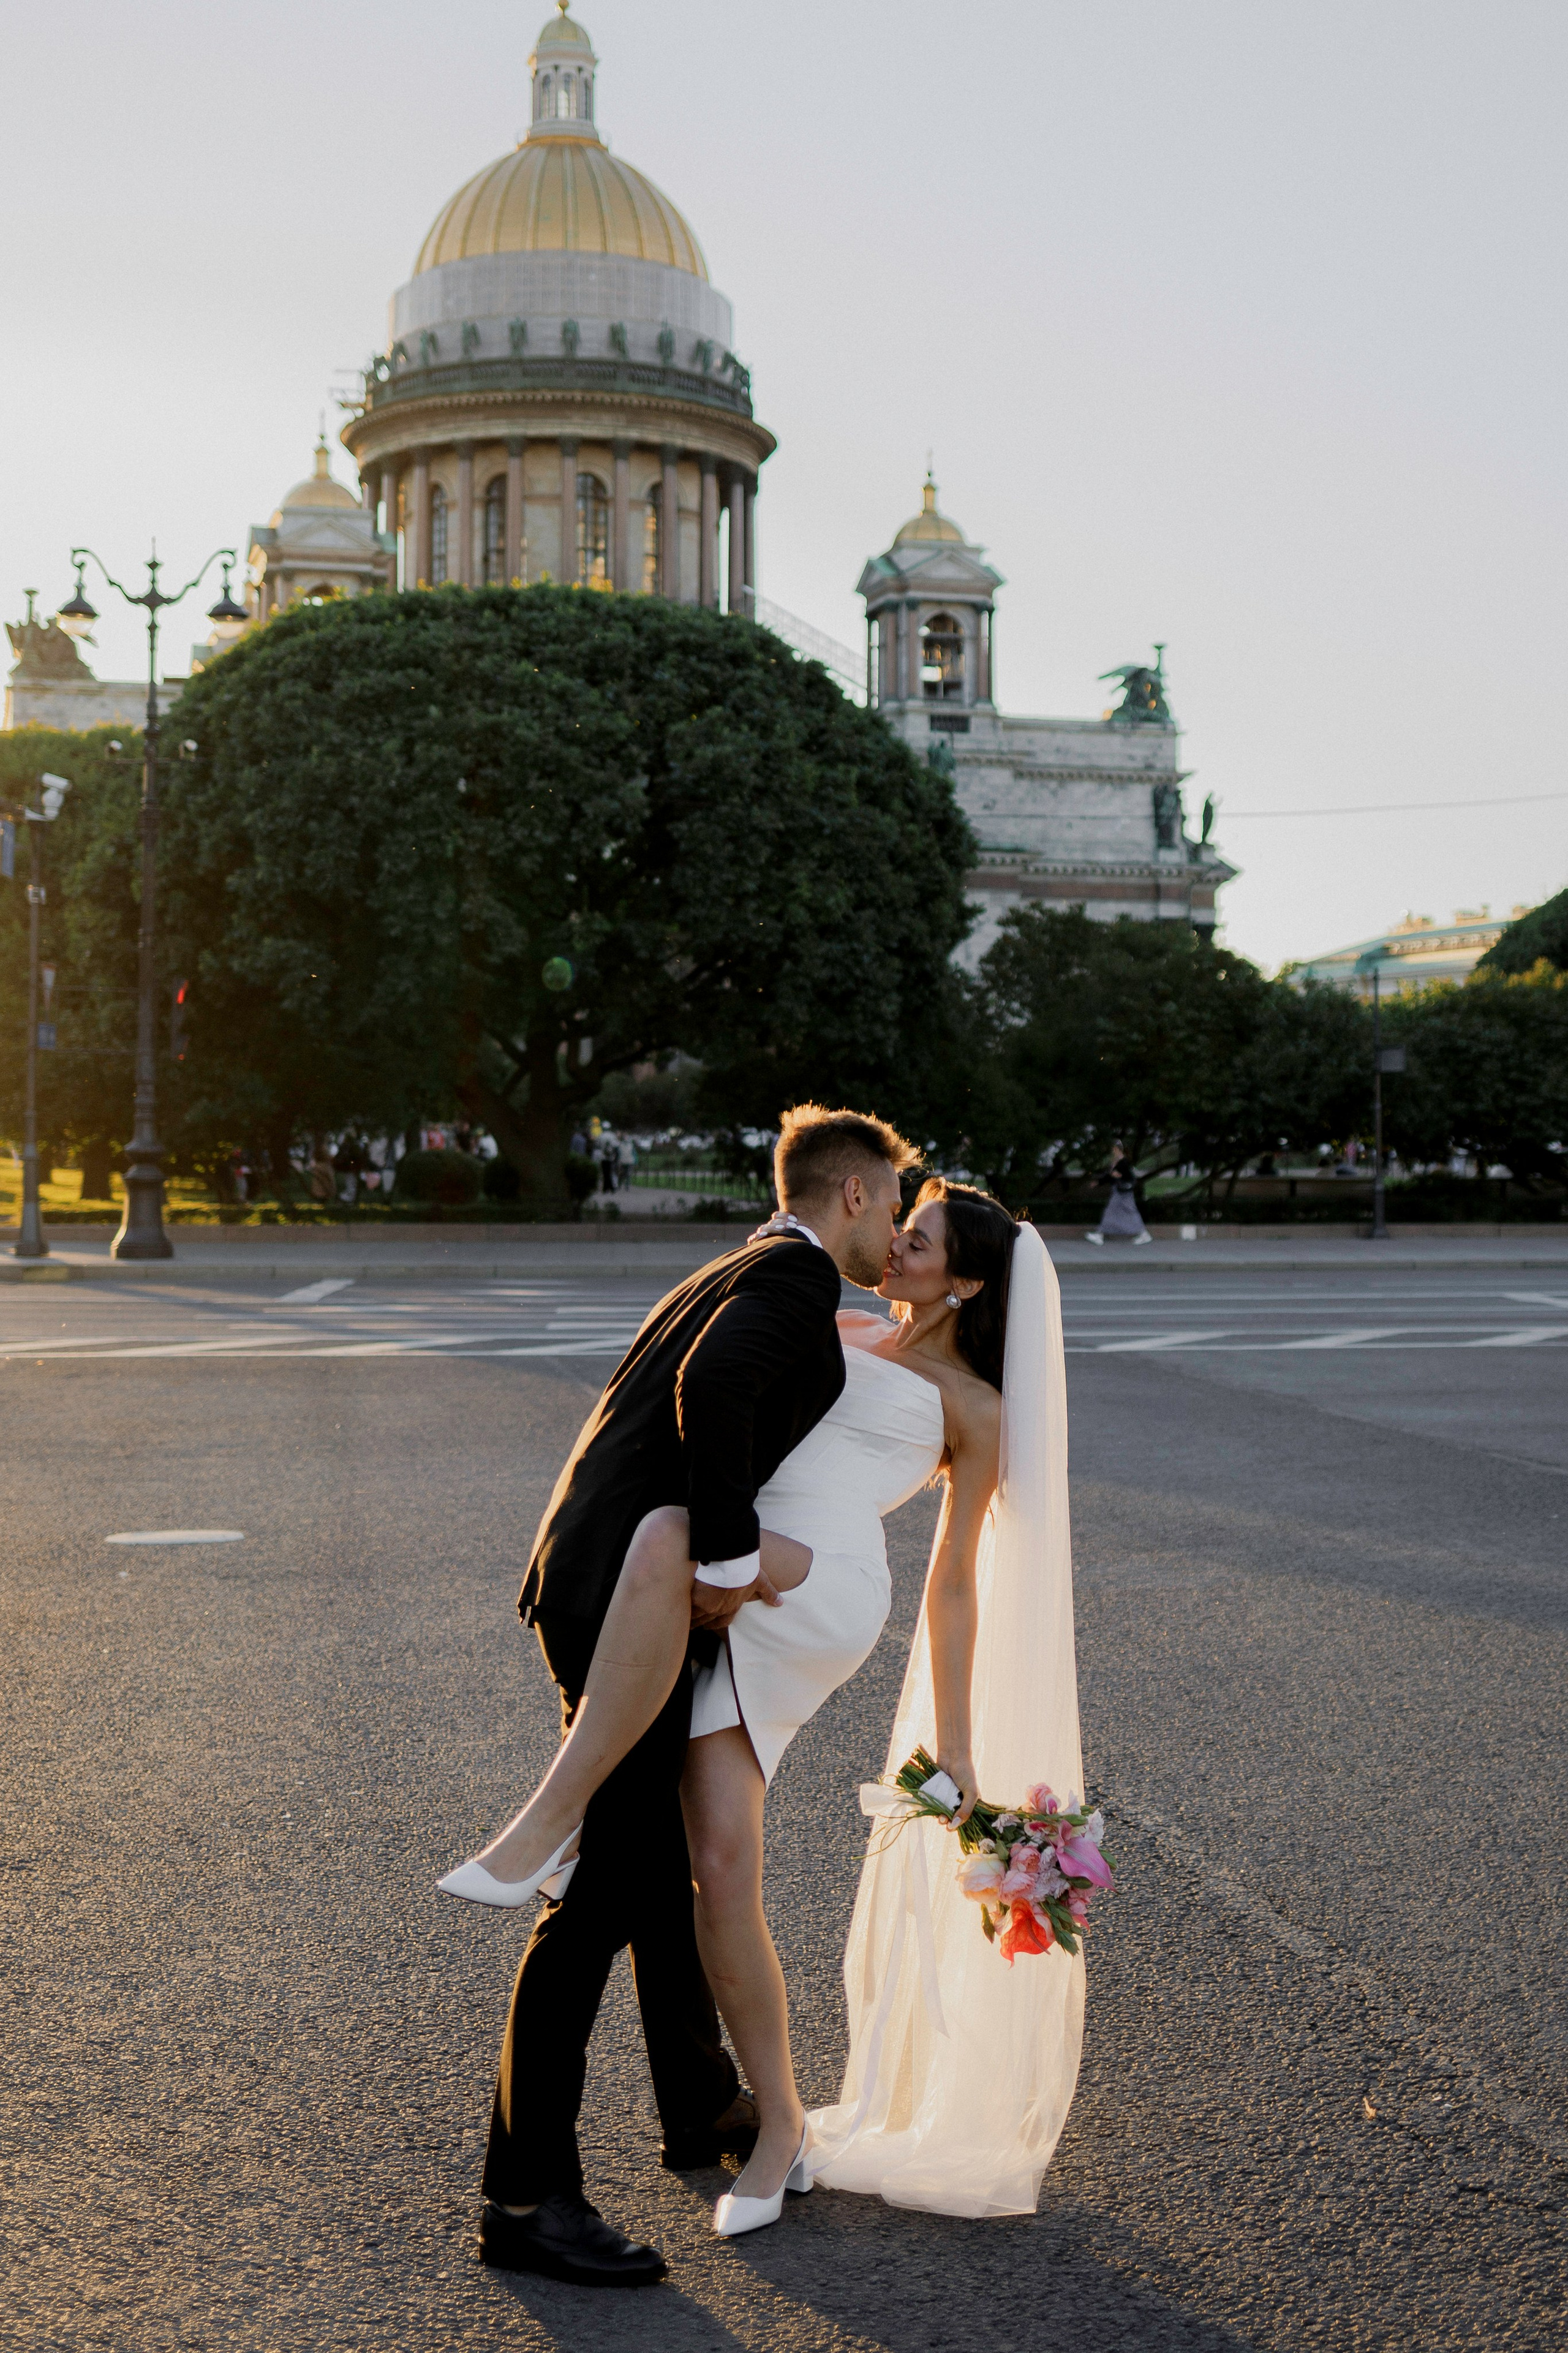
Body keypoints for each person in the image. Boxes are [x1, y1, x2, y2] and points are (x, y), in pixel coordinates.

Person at [442, 1168, 1058, 2250]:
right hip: (728, 1578)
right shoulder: (843, 1318)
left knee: (668, 1540)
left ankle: (551, 1820)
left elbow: (956, 1576)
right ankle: (770, 2120)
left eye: (920, 1240)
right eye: (898, 1227)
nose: (898, 1246)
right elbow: (751, 1314)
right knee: (715, 1866)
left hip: (812, 1578)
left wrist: (952, 1738)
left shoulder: (979, 1407)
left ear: (964, 1279)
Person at [1085, 1139, 1152, 1245]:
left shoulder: (1123, 1162)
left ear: (1117, 1149)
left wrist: (1117, 1176)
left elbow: (1126, 1176)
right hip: (1121, 1191)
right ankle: (1143, 1234)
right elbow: (1111, 1176)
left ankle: (1100, 1234)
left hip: (1123, 1192)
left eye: (1113, 1149)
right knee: (1126, 1212)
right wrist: (1098, 1183)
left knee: (1113, 1211)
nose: (1112, 1151)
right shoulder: (1117, 1162)